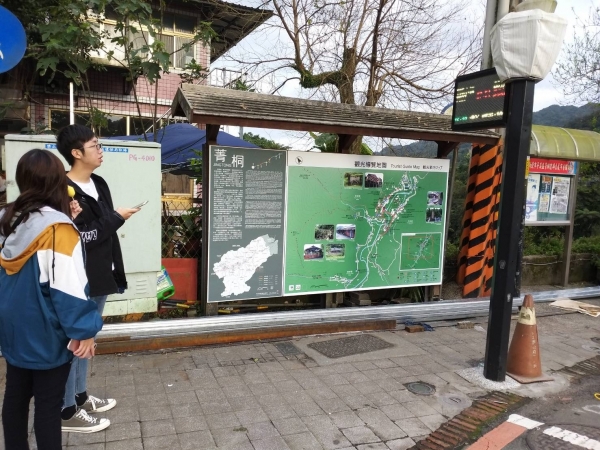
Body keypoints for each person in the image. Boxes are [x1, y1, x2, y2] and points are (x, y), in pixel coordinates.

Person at [0, 149, 103, 450]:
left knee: (15, 395)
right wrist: (84, 331)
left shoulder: (7, 219)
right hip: (45, 331)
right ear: (58, 181)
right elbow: (68, 289)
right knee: (47, 405)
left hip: (12, 326)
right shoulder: (58, 230)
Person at [56, 124, 140, 432]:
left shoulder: (99, 183)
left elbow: (103, 230)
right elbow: (78, 237)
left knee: (88, 338)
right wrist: (116, 218)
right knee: (75, 342)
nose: (101, 150)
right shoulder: (62, 189)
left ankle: (80, 397)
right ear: (76, 153)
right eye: (95, 146)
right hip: (77, 277)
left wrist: (113, 222)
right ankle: (66, 411)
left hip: (102, 271)